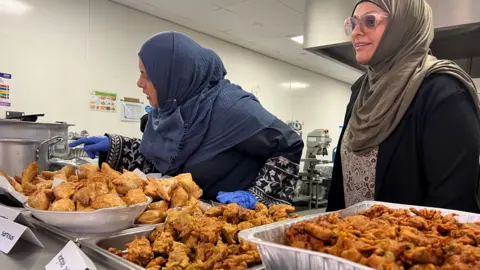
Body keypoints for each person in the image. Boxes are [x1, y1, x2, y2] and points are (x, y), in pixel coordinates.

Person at [70, 31, 304, 207]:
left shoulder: (231, 107)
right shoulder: (169, 110)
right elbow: (164, 162)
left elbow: (289, 143)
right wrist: (117, 147)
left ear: (172, 76)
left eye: (146, 75)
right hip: (194, 217)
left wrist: (258, 196)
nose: (139, 83)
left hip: (237, 224)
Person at [327, 0, 480, 213]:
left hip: (410, 244)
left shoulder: (444, 92)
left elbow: (453, 203)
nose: (356, 33)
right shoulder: (360, 91)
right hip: (348, 243)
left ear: (404, 25)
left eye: (370, 21)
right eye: (353, 24)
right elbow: (339, 186)